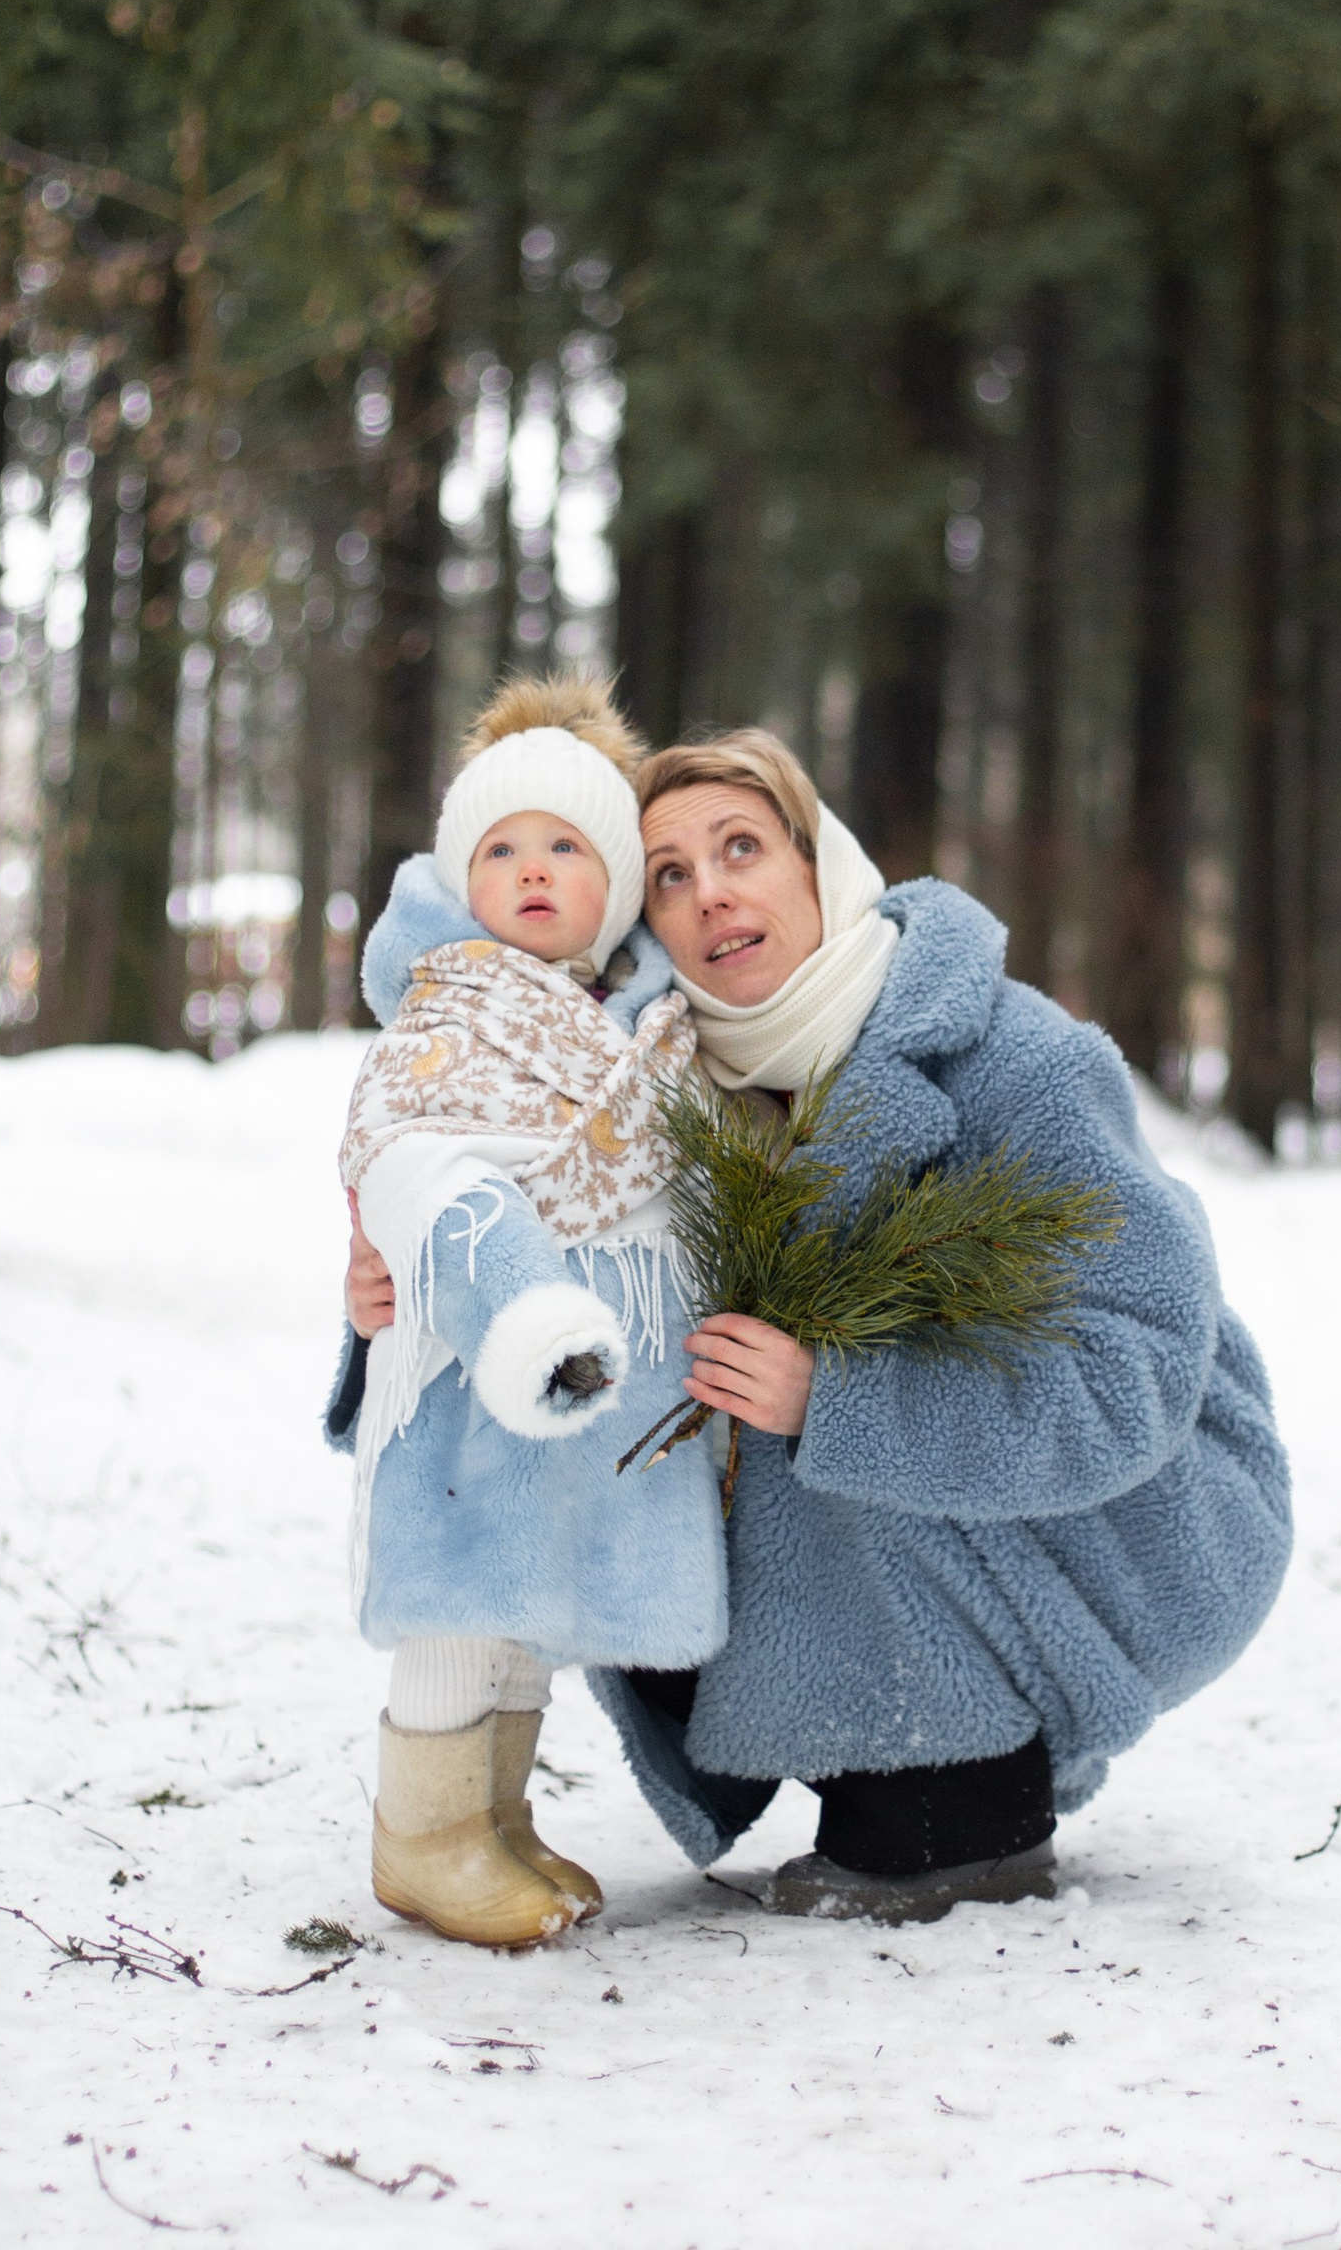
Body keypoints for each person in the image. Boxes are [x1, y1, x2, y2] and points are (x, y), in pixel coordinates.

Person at [344, 722, 1292, 1928]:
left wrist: (839, 1399)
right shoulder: (656, 1082)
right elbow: (541, 1251)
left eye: (742, 847)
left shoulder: (1015, 1057)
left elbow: (1138, 1371)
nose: (713, 894)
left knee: (818, 1461)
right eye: (671, 874)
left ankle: (963, 1801)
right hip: (881, 1525)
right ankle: (878, 1759)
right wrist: (394, 1286)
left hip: (1139, 1516)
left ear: (817, 860)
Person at [328, 675, 726, 1948]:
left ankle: (491, 1818)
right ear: (462, 874)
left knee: (532, 1603)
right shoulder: (452, 1013)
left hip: (592, 1390)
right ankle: (425, 1836)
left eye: (567, 847)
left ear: (614, 881)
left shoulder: (647, 1029)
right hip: (471, 1377)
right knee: (464, 1597)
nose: (535, 869)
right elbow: (412, 1165)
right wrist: (483, 1290)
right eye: (501, 848)